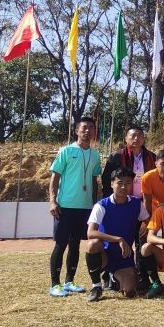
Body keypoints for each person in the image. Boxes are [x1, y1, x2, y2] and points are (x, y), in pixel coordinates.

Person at [48, 117, 101, 298]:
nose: (87, 131)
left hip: (85, 207)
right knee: (60, 244)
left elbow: (95, 181)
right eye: (84, 128)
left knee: (76, 244)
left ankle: (69, 281)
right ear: (77, 130)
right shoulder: (66, 150)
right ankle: (55, 283)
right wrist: (52, 201)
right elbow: (54, 177)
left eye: (91, 128)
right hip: (66, 205)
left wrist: (94, 205)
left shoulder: (95, 155)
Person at [83, 169, 150, 301]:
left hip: (124, 256)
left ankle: (114, 277)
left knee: (130, 291)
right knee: (93, 244)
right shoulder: (102, 205)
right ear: (112, 184)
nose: (124, 187)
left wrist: (144, 229)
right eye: (120, 183)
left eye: (128, 183)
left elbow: (148, 221)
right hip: (105, 254)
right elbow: (90, 233)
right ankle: (96, 286)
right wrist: (119, 239)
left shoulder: (136, 203)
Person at [101, 126, 156, 199]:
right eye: (133, 136)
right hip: (122, 199)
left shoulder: (151, 157)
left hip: (146, 199)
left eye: (139, 135)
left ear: (143, 139)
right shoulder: (117, 156)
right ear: (126, 139)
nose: (136, 138)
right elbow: (107, 179)